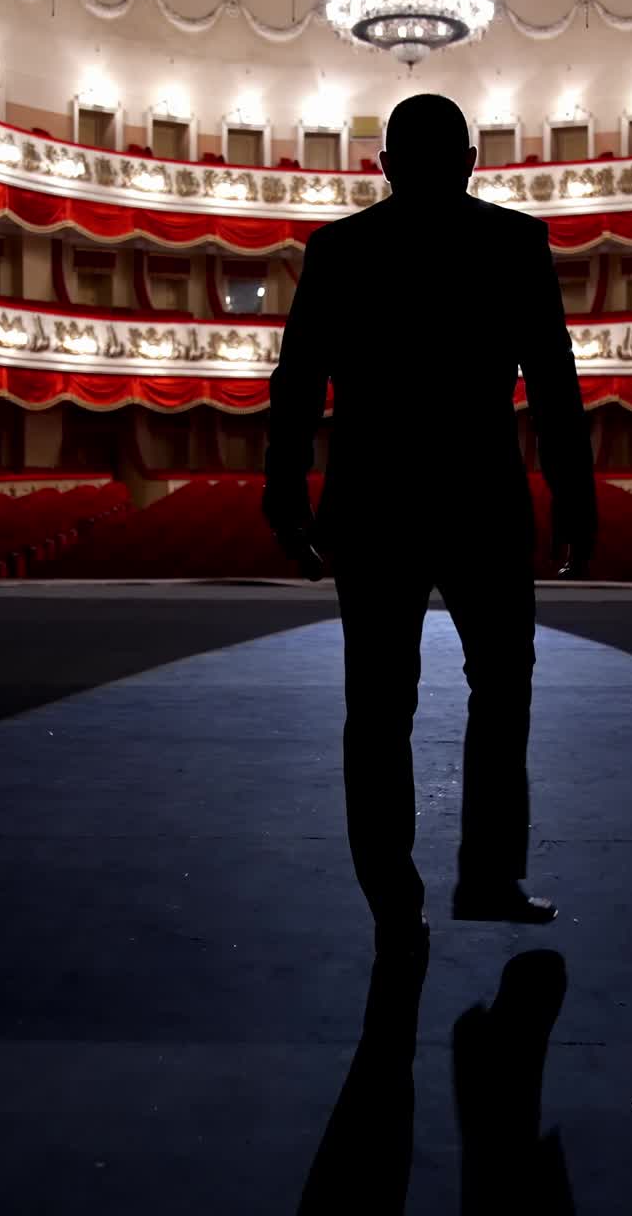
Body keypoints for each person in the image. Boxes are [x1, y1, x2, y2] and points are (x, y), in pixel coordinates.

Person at [262, 93, 597, 955]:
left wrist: (285, 491)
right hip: (482, 498)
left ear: (384, 168)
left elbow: (296, 383)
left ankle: (392, 900)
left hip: (374, 502)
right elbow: (555, 386)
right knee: (503, 690)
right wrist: (575, 496)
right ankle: (488, 876)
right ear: (472, 161)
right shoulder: (514, 243)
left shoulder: (340, 249)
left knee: (376, 707)